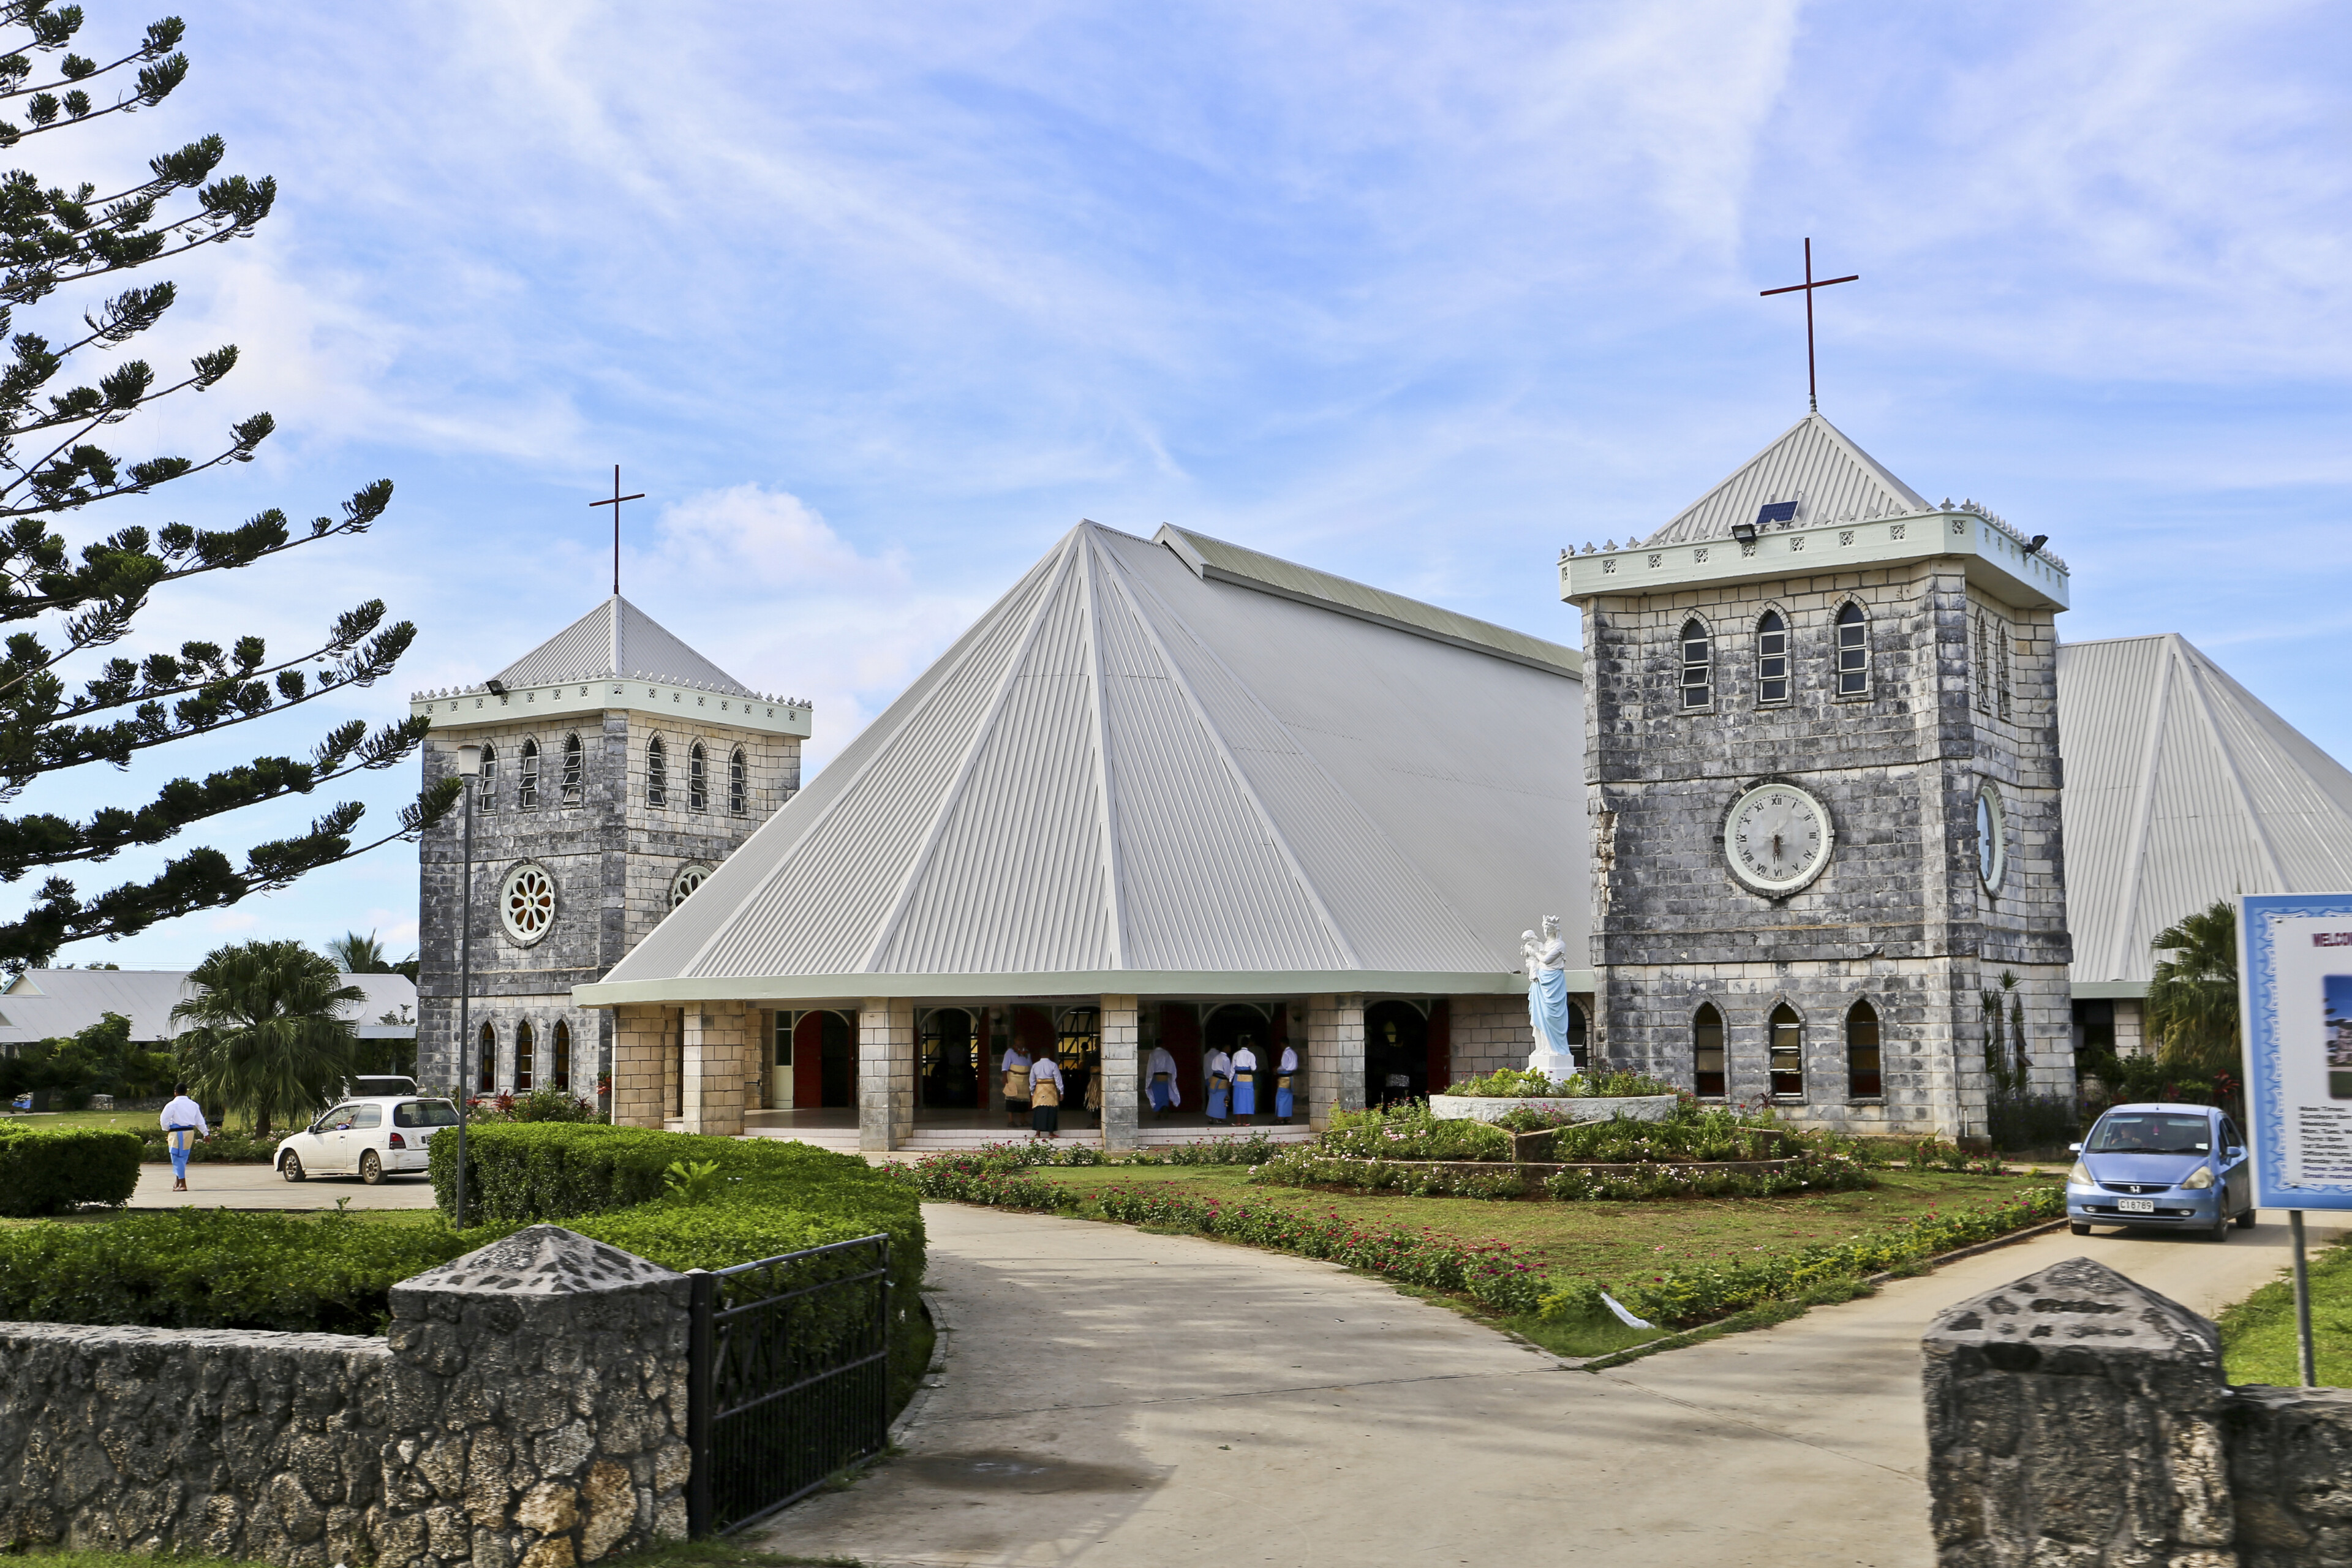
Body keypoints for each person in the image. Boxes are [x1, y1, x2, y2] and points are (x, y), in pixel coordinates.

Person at [158, 1082, 209, 1194]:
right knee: (183, 1157)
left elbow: (164, 1119)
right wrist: (206, 1134)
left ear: (175, 1093)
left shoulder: (172, 1105)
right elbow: (200, 1121)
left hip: (176, 1133)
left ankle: (183, 1183)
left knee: (176, 1157)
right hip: (189, 1132)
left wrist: (166, 1129)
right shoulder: (194, 1105)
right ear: (187, 1092)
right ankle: (178, 1181)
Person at [1028, 1049, 1065, 1139]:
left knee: (1039, 1110)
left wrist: (1032, 1092)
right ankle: (1051, 1133)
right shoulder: (1053, 1065)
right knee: (1051, 1110)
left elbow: (1032, 1080)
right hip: (1051, 1089)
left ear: (1040, 1055)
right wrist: (1061, 1091)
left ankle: (1038, 1133)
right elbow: (1058, 1079)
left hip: (1039, 1089)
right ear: (1049, 1054)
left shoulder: (1035, 1066)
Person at [1001, 1039, 1033, 1128]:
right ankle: (1011, 1121)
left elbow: (1031, 1066)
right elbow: (1005, 1066)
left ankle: (1023, 1120)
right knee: (1011, 1098)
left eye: (1022, 1041)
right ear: (1015, 1041)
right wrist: (1004, 1077)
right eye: (1019, 1040)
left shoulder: (1027, 1053)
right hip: (1013, 1077)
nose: (1021, 1042)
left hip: (1025, 1078)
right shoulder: (1010, 1052)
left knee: (1024, 1099)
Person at [1145, 1043, 1182, 1117]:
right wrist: (1172, 1076)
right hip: (1165, 1076)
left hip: (1156, 1077)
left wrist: (1149, 1080)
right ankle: (1165, 1109)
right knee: (1165, 1094)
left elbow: (1150, 1068)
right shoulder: (1166, 1053)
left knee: (1156, 1095)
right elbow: (1172, 1066)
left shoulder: (1153, 1054)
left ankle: (1158, 1112)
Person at [1231, 1035, 1261, 1125]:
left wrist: (1229, 1080)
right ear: (1248, 1044)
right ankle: (1245, 1122)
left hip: (1238, 1079)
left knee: (1238, 1100)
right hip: (1247, 1079)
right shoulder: (1251, 1055)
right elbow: (1254, 1068)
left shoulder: (1236, 1054)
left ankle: (1238, 1122)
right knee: (1247, 1100)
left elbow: (1232, 1069)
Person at [1205, 1044, 1233, 1124]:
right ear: (1226, 1049)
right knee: (1223, 1099)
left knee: (1212, 1099)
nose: (1230, 1050)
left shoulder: (1216, 1057)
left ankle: (1211, 1118)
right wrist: (1229, 1080)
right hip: (1222, 1080)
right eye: (1229, 1048)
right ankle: (1220, 1118)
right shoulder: (1226, 1059)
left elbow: (1213, 1068)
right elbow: (1227, 1072)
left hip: (1214, 1079)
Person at [1275, 1041, 1300, 1123]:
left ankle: (1280, 1118)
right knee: (1289, 1098)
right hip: (1291, 1077)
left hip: (1285, 1077)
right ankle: (1287, 1118)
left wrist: (1277, 1069)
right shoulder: (1293, 1053)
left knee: (1282, 1097)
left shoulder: (1286, 1053)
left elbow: (1284, 1066)